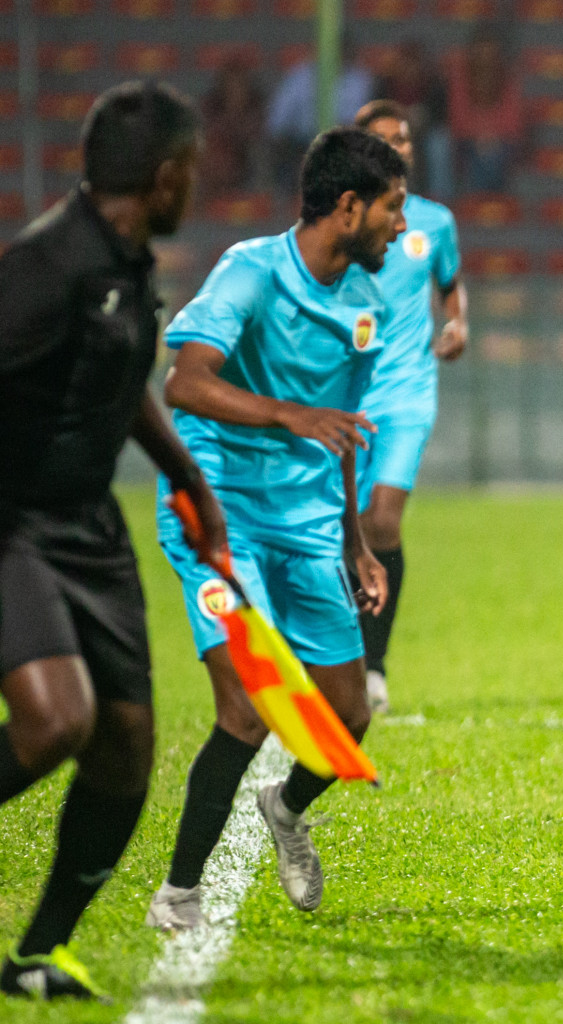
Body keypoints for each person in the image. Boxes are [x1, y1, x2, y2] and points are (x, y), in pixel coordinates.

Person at [144, 127, 406, 932]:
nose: (402, 226)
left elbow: (345, 428)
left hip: (307, 520)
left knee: (347, 718)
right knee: (249, 708)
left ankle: (285, 809)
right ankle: (179, 896)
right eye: (393, 208)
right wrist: (288, 413)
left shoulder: (368, 304)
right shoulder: (251, 272)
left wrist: (356, 540)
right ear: (349, 205)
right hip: (219, 515)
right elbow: (183, 383)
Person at [0, 81, 225, 1001]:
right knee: (59, 719)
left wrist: (188, 475)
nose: (196, 189)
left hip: (88, 528)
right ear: (167, 177)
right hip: (11, 523)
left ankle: (36, 954)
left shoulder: (127, 267)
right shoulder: (43, 268)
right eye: (194, 174)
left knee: (127, 745)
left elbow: (122, 379)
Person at [351, 100, 467, 714]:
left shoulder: (434, 223)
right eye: (385, 138)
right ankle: (337, 653)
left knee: (384, 520)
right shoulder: (343, 219)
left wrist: (457, 324)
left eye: (405, 137)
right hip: (345, 393)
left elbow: (450, 287)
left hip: (406, 390)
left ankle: (374, 665)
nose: (399, 146)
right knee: (340, 525)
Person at [265, 37, 375, 193]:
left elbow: (365, 123)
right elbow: (276, 123)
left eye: (343, 51)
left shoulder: (361, 81)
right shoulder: (299, 77)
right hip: (301, 145)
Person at [445, 24, 527, 194]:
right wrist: (480, 136)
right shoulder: (461, 78)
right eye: (481, 52)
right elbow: (458, 120)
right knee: (478, 155)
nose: (485, 58)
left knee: (492, 156)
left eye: (490, 53)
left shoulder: (509, 79)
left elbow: (513, 123)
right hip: (468, 141)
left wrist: (492, 137)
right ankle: (483, 208)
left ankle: (485, 208)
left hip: (502, 142)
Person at [375, 40, 452, 199]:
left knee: (439, 143)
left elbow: (441, 117)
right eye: (405, 63)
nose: (409, 68)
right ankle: (384, 196)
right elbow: (375, 115)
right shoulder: (383, 84)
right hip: (392, 133)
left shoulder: (434, 84)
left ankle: (439, 198)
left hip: (425, 133)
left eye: (414, 63)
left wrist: (421, 117)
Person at [200, 56, 266, 194]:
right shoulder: (211, 106)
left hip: (246, 163)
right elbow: (206, 130)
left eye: (239, 84)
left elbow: (258, 134)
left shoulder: (257, 106)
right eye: (231, 84)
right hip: (217, 164)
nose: (236, 89)